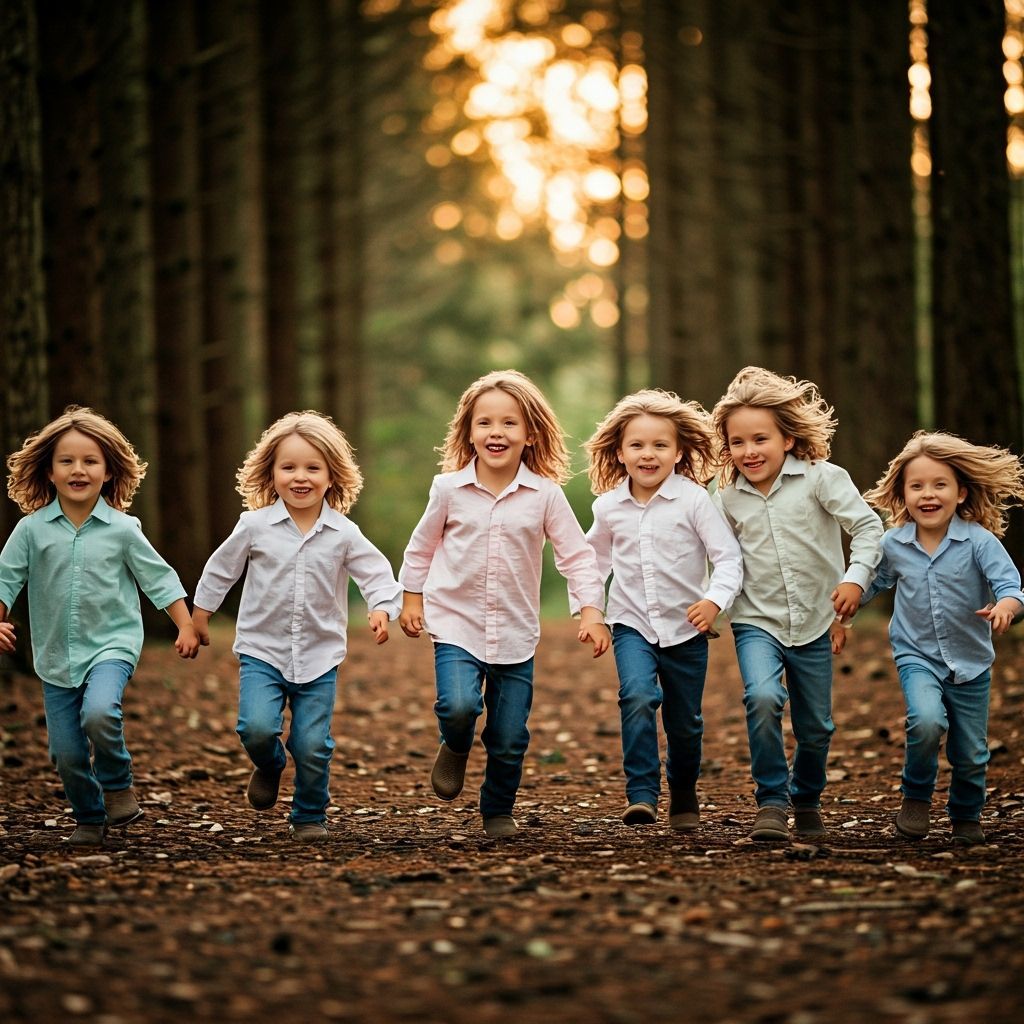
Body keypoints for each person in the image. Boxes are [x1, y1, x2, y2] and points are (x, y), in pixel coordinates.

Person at [399, 369, 611, 838]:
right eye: (485, 423)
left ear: (530, 434)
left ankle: (497, 809)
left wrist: (591, 611)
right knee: (458, 706)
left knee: (510, 737)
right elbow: (421, 547)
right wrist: (411, 598)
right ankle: (454, 744)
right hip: (455, 620)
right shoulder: (448, 490)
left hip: (516, 632)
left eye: (509, 423)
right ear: (469, 433)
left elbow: (577, 556)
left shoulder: (545, 495)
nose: (497, 432)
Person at [191, 411, 401, 844]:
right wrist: (198, 617)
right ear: (271, 473)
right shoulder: (254, 526)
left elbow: (376, 573)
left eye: (312, 468)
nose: (299, 477)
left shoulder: (343, 532)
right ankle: (268, 764)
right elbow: (220, 570)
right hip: (261, 651)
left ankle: (309, 814)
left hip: (319, 655)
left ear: (331, 477)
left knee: (312, 744)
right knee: (256, 728)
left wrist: (381, 607)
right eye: (288, 468)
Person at [0, 407, 199, 848]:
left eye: (90, 461)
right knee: (66, 754)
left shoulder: (123, 529)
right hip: (54, 656)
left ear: (108, 471)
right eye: (66, 461)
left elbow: (159, 578)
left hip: (113, 645)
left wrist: (185, 625)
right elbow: (5, 580)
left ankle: (116, 782)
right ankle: (89, 818)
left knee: (100, 712)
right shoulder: (30, 532)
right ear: (49, 472)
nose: (78, 469)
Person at [711, 367, 883, 842]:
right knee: (762, 698)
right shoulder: (723, 498)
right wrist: (710, 601)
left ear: (787, 438)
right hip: (755, 618)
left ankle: (806, 798)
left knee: (817, 727)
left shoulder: (822, 479)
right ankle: (770, 801)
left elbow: (868, 529)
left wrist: (855, 581)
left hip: (816, 620)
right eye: (738, 442)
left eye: (760, 438)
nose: (749, 451)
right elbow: (716, 555)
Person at [581, 389, 743, 830]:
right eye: (637, 445)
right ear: (619, 452)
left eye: (660, 445)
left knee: (685, 722)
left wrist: (713, 602)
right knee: (636, 696)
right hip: (630, 622)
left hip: (687, 628)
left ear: (678, 452)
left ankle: (684, 790)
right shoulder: (608, 507)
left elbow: (727, 558)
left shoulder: (693, 500)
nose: (648, 455)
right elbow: (591, 562)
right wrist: (592, 613)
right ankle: (642, 794)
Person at [861, 431, 1024, 845]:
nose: (927, 495)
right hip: (916, 655)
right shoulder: (893, 544)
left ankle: (966, 815)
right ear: (902, 493)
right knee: (927, 721)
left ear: (961, 492)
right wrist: (841, 605)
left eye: (939, 485)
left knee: (971, 752)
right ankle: (915, 798)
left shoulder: (979, 542)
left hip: (971, 662)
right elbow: (871, 584)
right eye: (917, 486)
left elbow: (1011, 587)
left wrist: (1006, 607)